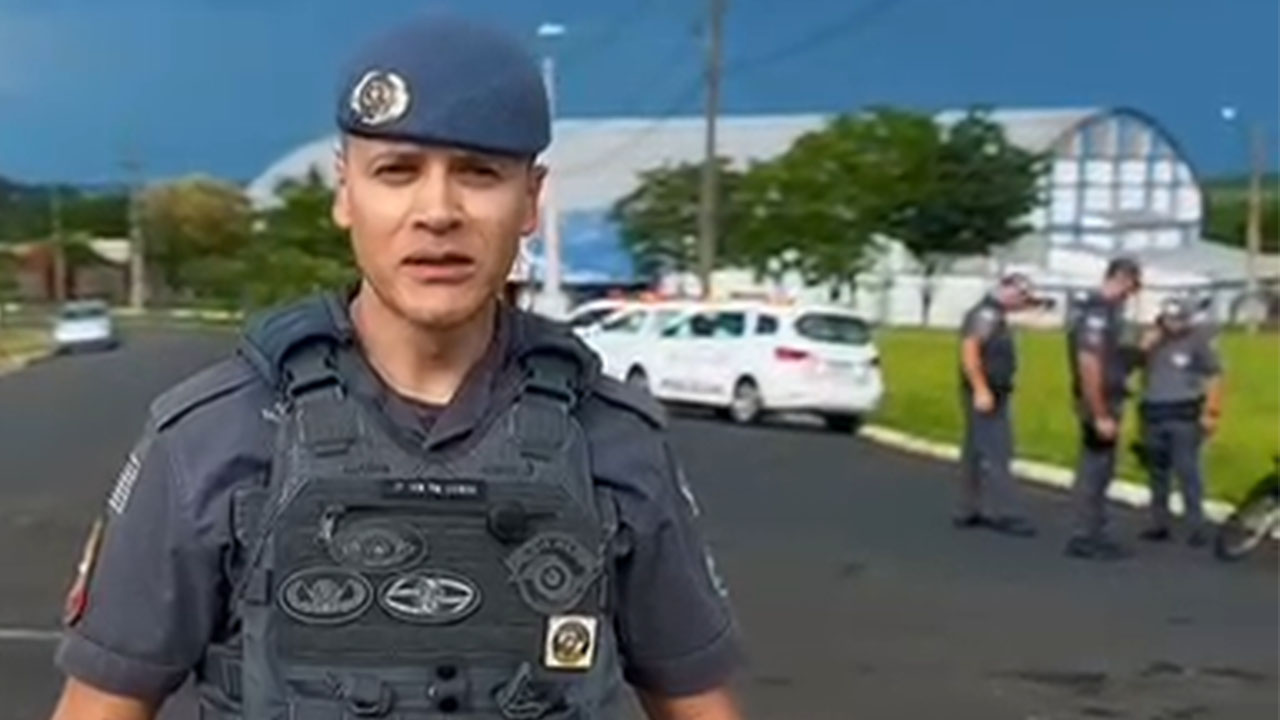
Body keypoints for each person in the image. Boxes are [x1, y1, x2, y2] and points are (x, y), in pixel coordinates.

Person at [49, 14, 743, 720]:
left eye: (479, 173)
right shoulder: (206, 441)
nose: (437, 212)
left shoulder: (617, 444)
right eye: (397, 171)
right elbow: (100, 706)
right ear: (345, 192)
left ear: (531, 201)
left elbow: (697, 703)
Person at [1064, 256, 1144, 560]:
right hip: (1098, 400)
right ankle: (1085, 535)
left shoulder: (1107, 312)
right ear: (1122, 279)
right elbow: (1089, 363)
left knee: (1103, 469)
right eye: (1132, 286)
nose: (1131, 295)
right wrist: (1098, 413)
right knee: (1094, 469)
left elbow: (1117, 357)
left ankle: (1096, 530)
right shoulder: (1097, 312)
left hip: (1110, 396)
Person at [953, 273, 1045, 537]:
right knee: (998, 451)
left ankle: (968, 507)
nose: (1022, 302)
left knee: (974, 450)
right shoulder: (986, 315)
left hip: (993, 390)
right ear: (1006, 289)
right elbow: (970, 350)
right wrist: (981, 389)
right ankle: (1007, 512)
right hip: (987, 391)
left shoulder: (995, 314)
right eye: (1021, 295)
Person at [1136, 297, 1224, 547]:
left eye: (1178, 319)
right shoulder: (1152, 342)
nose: (1173, 324)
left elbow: (1215, 376)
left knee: (1188, 472)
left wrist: (1212, 412)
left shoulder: (1197, 342)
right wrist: (1143, 347)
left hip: (1184, 415)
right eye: (1168, 319)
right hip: (1153, 414)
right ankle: (1159, 523)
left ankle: (1196, 525)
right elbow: (1129, 364)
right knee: (1157, 472)